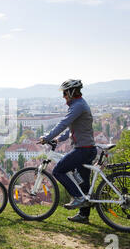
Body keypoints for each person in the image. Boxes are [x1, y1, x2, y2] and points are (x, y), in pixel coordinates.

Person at [39, 79, 97, 224]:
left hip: (82, 150)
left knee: (58, 171)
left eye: (65, 93)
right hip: (87, 148)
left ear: (71, 92)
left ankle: (78, 198)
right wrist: (59, 139)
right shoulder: (79, 105)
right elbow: (72, 127)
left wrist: (47, 137)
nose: (63, 96)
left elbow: (63, 123)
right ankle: (83, 215)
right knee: (83, 183)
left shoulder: (77, 105)